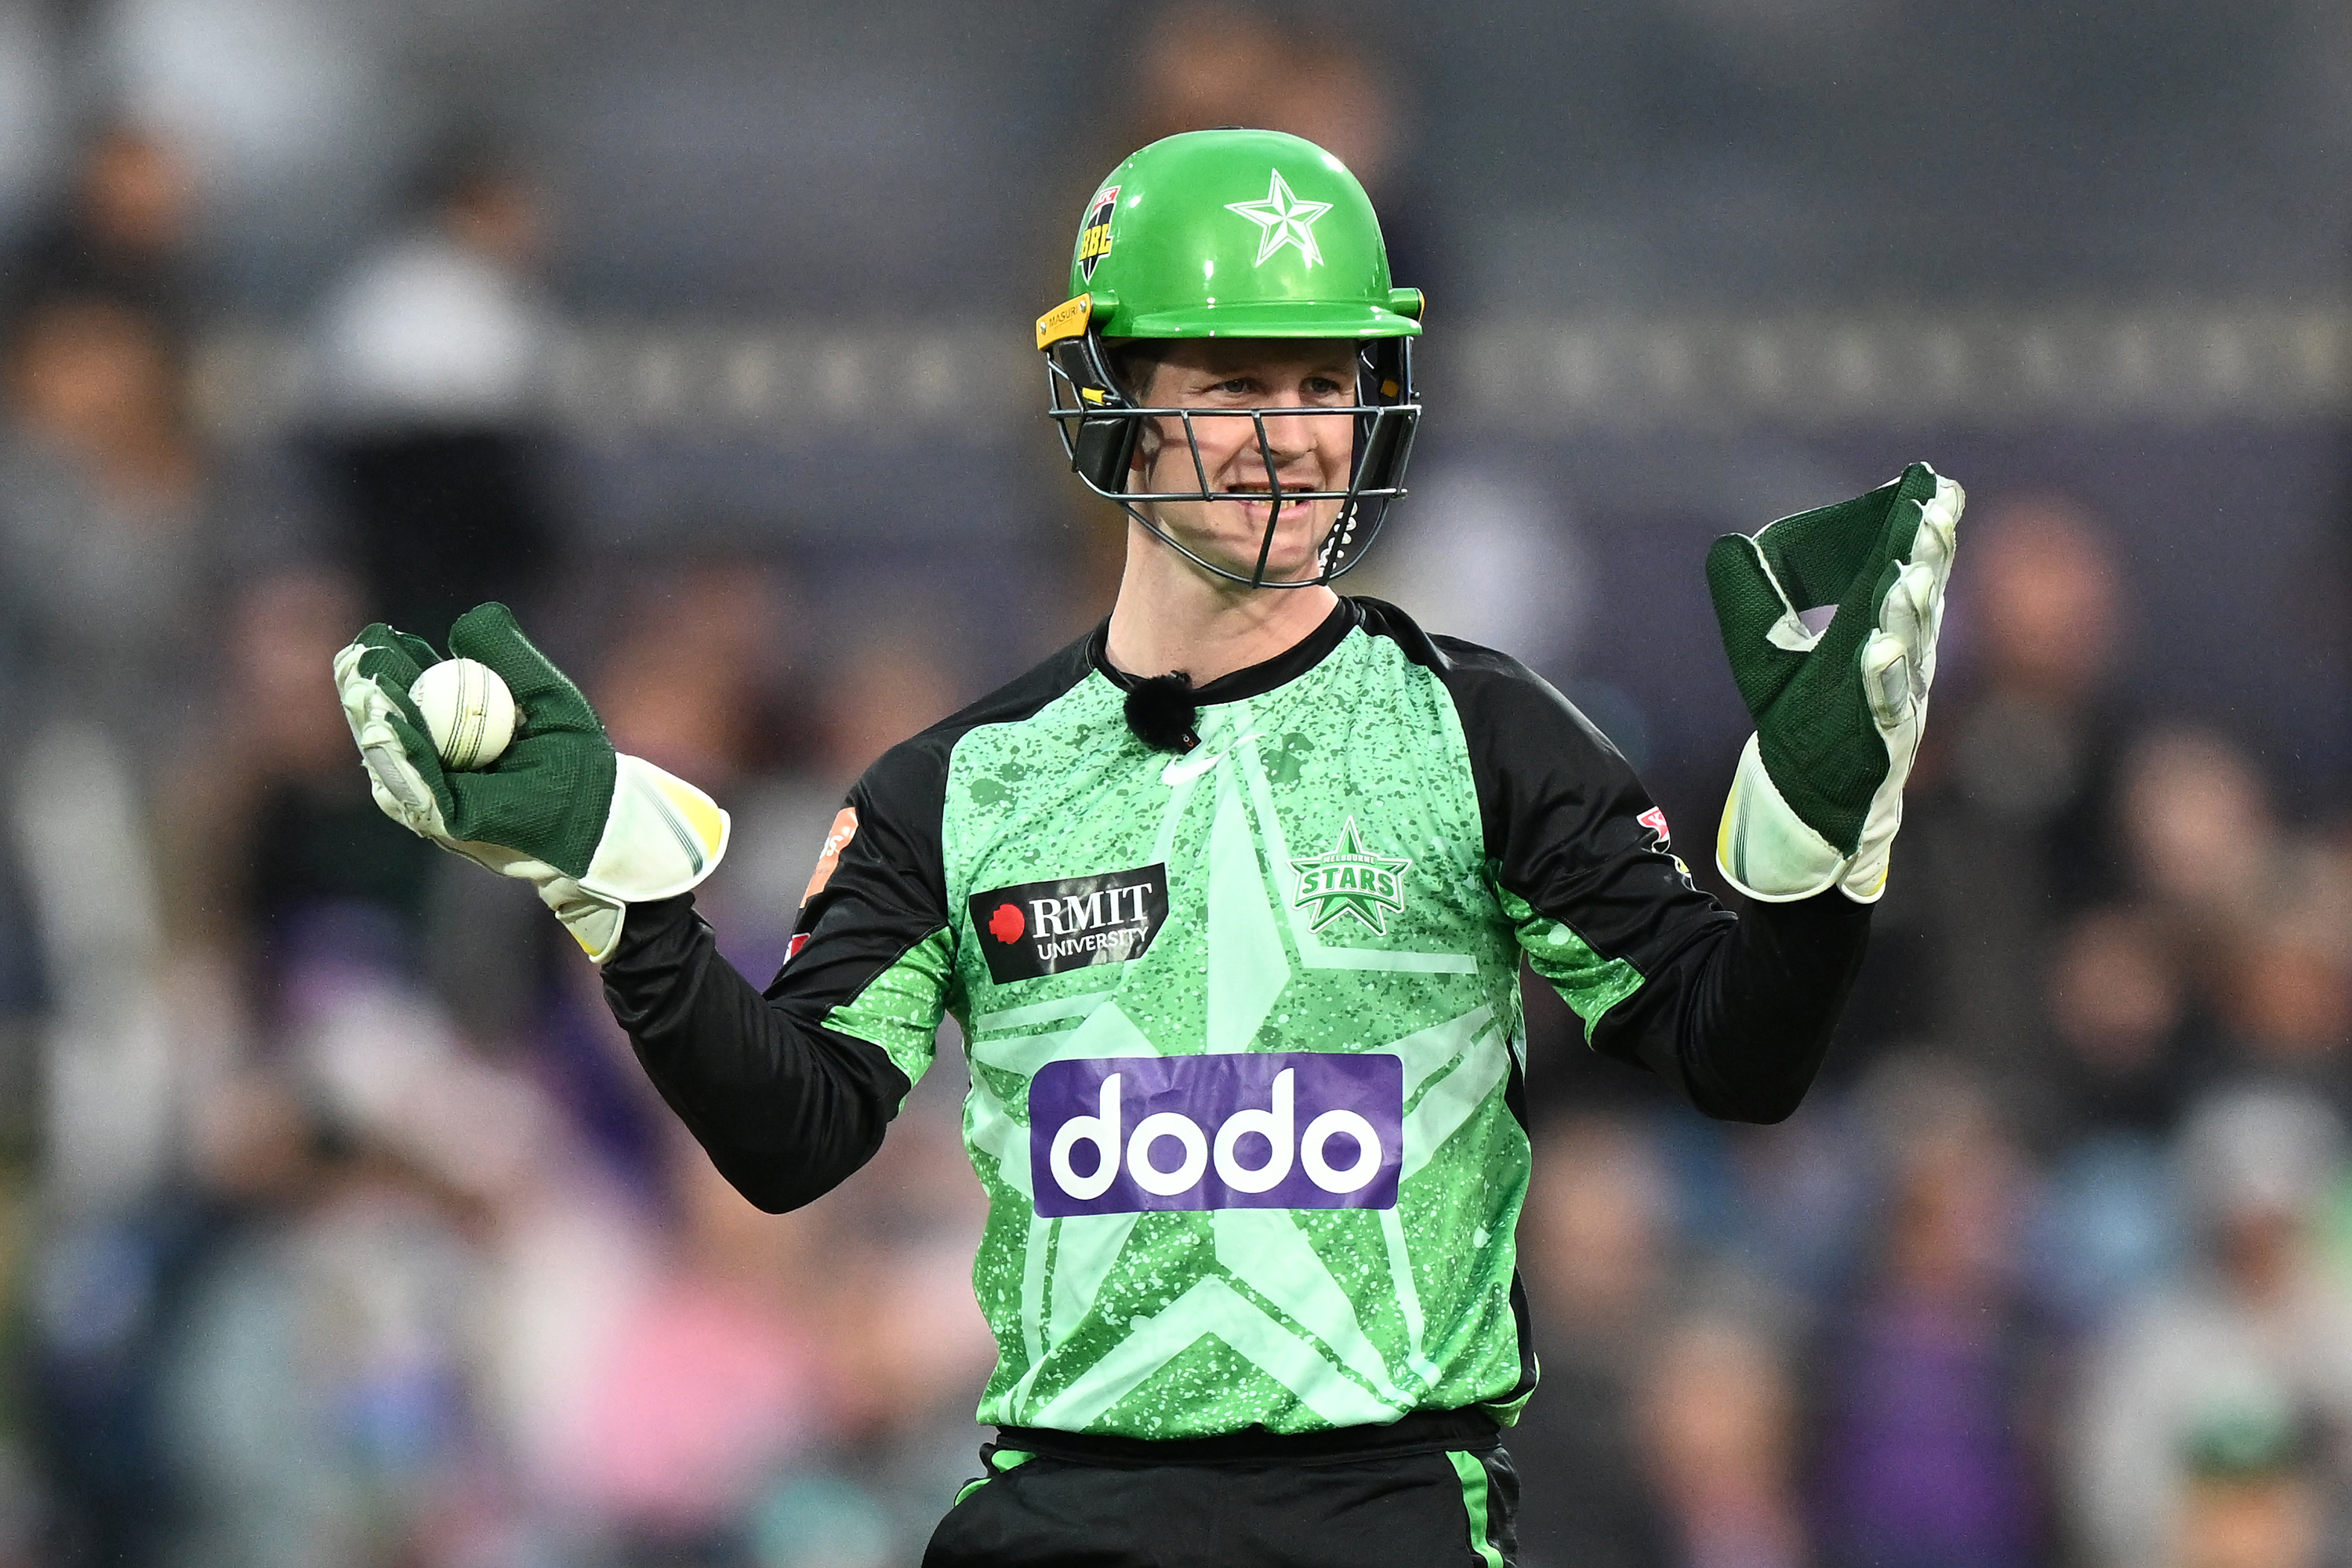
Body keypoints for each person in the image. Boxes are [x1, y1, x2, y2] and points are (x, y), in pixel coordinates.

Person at [332, 128, 1960, 1566]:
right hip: (1064, 1521)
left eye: (1324, 382)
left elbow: (1735, 1054)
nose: (1290, 436)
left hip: (1388, 1519)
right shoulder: (954, 787)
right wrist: (620, 897)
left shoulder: (1489, 737)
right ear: (1111, 394)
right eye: (1234, 383)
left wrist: (1822, 843)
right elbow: (797, 1137)